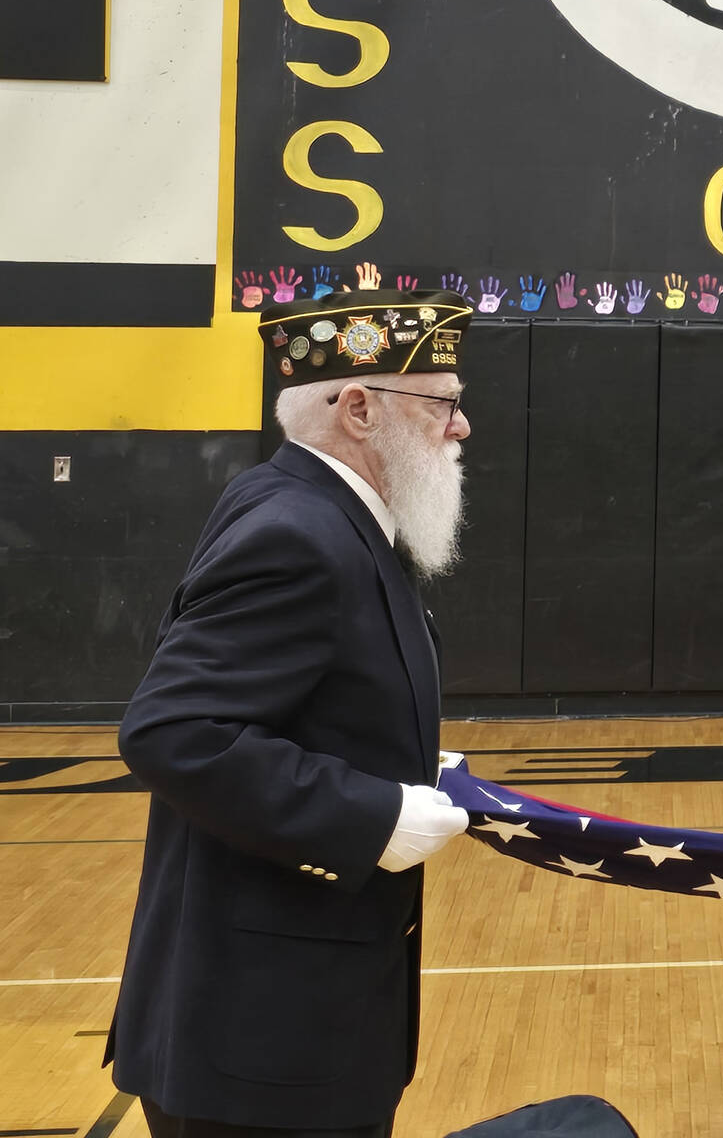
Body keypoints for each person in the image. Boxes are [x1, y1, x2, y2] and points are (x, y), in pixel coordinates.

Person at [108, 289, 479, 1138]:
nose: (460, 428)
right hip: (258, 1045)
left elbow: (299, 700)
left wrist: (408, 763)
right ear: (357, 408)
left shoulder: (311, 509)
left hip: (288, 1020)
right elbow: (173, 731)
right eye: (445, 403)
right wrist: (371, 811)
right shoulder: (301, 533)